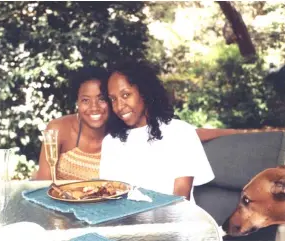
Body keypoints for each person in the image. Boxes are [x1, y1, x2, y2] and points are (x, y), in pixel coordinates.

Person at [100, 61, 215, 201]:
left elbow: (180, 197)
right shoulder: (111, 142)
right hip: (124, 221)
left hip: (175, 219)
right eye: (113, 99)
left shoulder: (180, 133)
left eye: (125, 95)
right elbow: (110, 196)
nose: (118, 106)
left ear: (144, 92)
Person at [35, 66, 110, 180]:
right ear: (77, 103)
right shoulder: (57, 129)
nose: (94, 107)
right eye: (85, 100)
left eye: (102, 99)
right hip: (57, 197)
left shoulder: (120, 135)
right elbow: (42, 185)